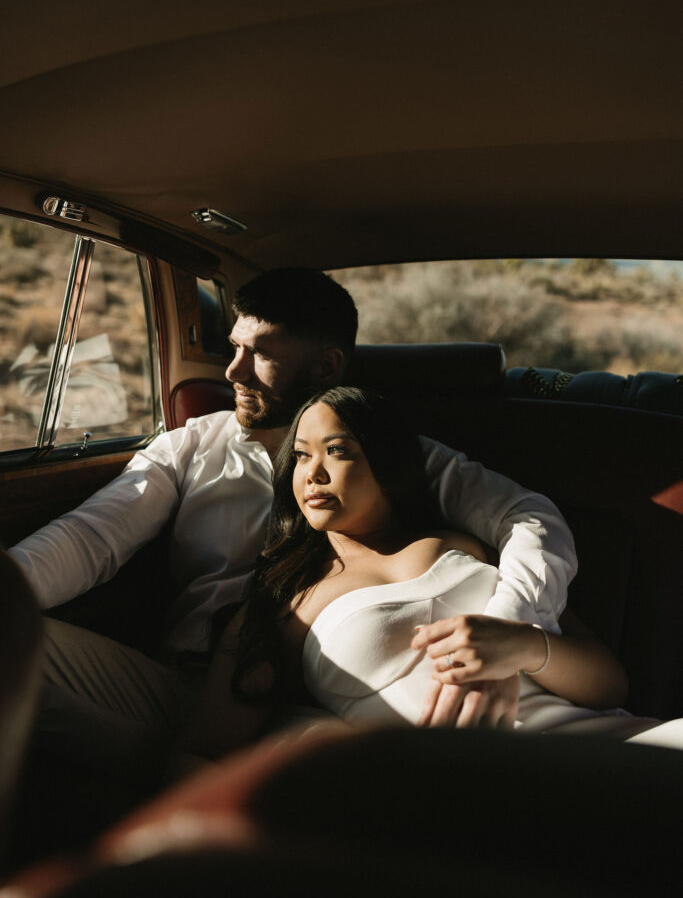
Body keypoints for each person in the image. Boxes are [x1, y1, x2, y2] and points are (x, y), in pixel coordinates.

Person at [8, 269, 578, 773]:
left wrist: (512, 630)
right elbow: (90, 538)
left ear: (325, 365)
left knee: (337, 757)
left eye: (260, 353)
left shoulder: (399, 456)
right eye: (233, 346)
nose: (232, 370)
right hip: (187, 686)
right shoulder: (191, 447)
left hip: (330, 703)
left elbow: (529, 516)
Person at [179, 387, 681, 761]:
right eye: (302, 456)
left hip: (626, 748)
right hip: (481, 793)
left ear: (388, 464)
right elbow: (203, 751)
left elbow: (611, 686)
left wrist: (524, 646)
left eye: (338, 451)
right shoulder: (285, 601)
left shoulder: (467, 544)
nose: (313, 473)